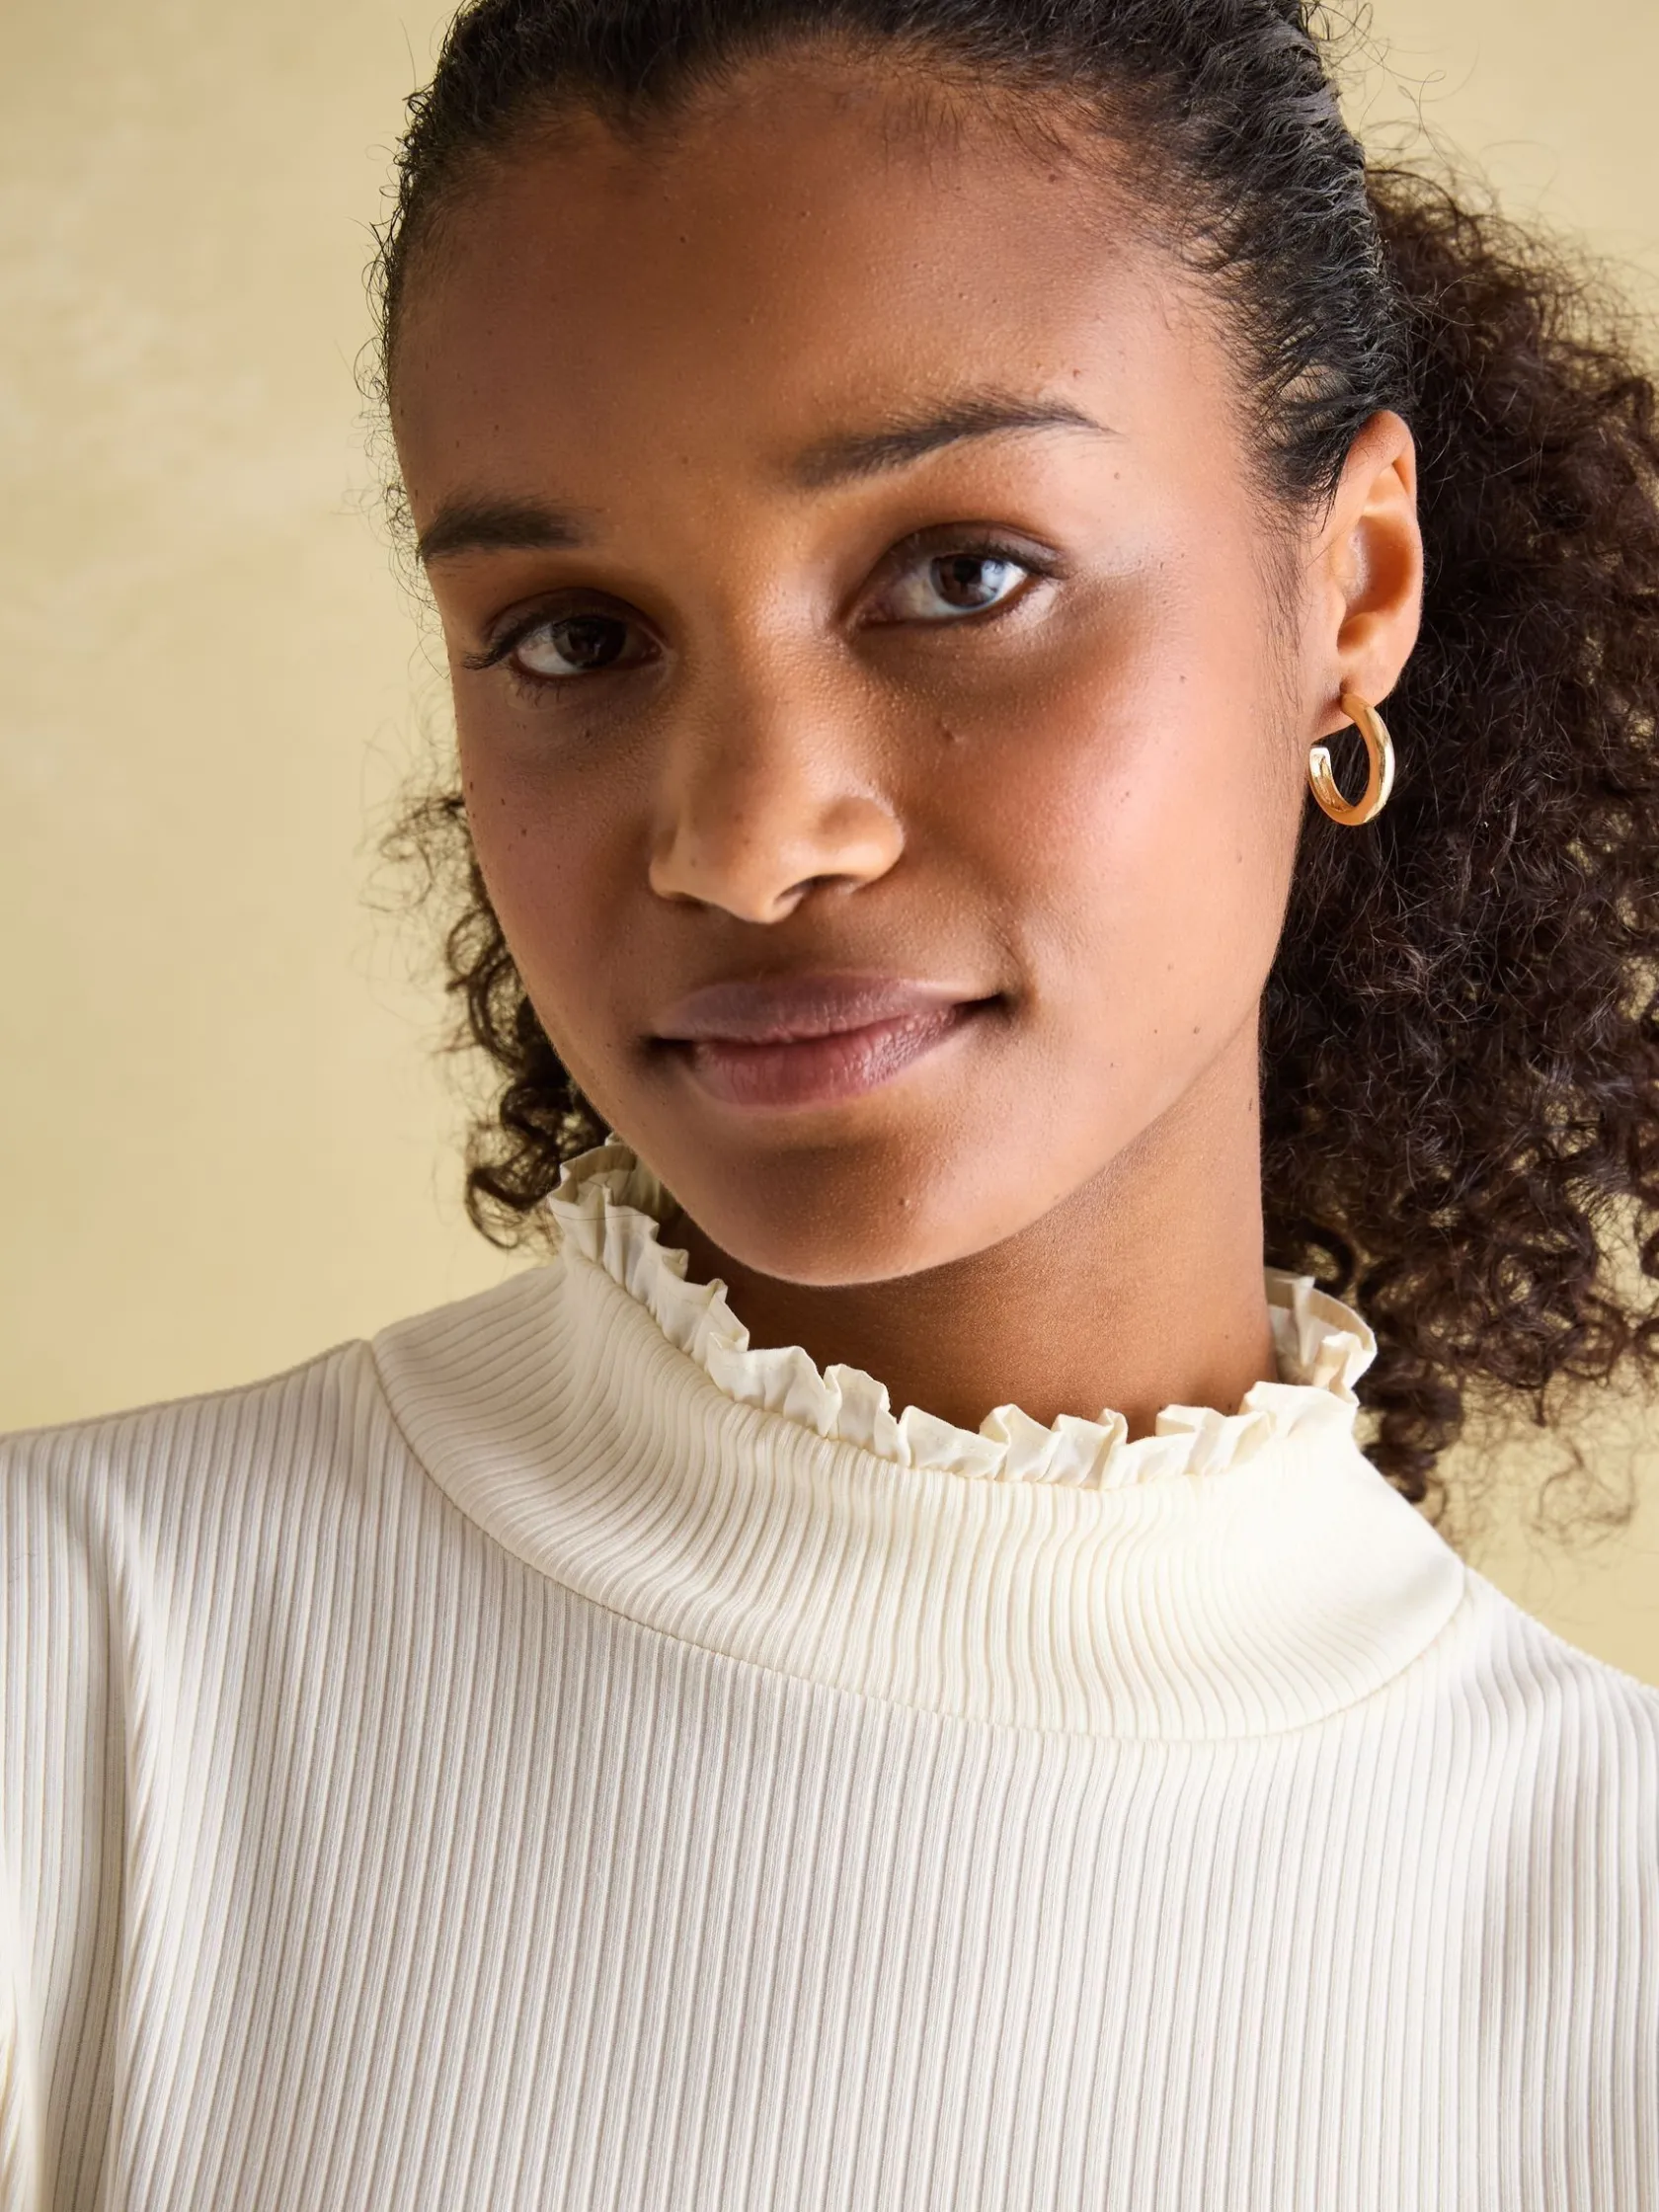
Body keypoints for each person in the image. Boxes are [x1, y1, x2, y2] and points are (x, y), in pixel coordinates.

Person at [4, 1, 1657, 2203]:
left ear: (1350, 592)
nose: (750, 834)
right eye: (575, 636)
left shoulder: (1613, 1956)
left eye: (965, 576)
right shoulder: (68, 1691)